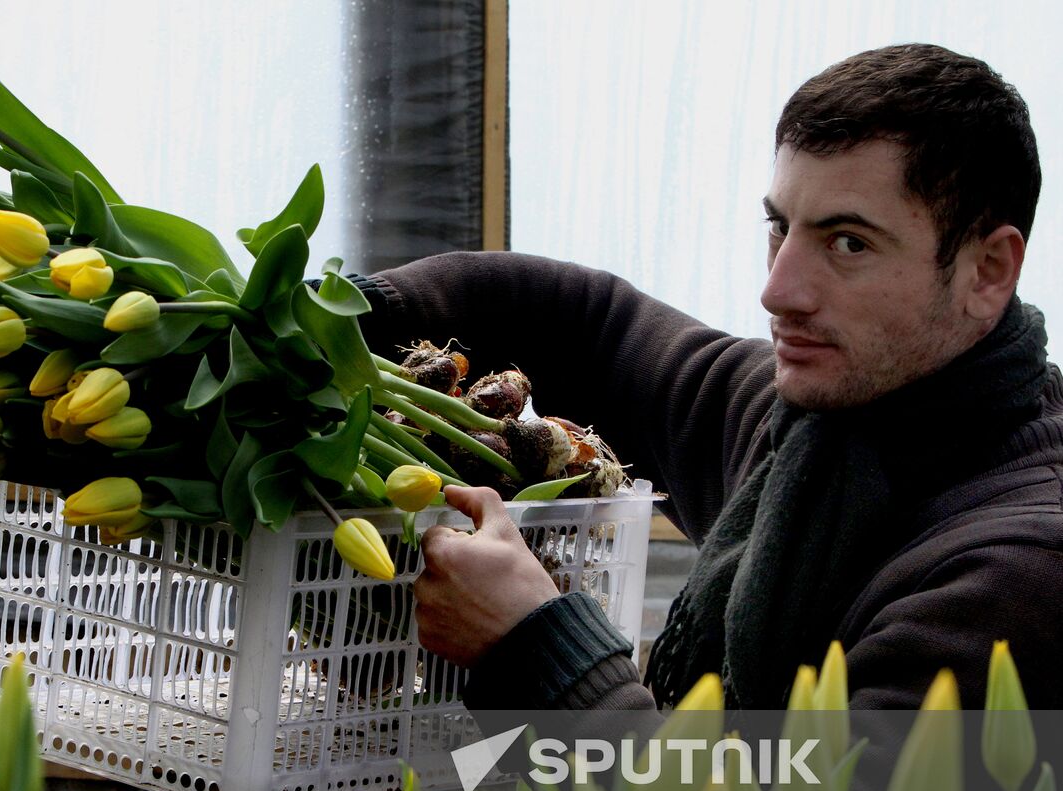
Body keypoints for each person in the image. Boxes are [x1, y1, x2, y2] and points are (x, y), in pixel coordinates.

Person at [357, 42, 1063, 721]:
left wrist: (537, 645)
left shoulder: (1020, 576)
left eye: (849, 243)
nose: (779, 291)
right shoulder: (808, 431)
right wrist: (333, 320)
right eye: (779, 229)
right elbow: (585, 323)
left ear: (988, 271)